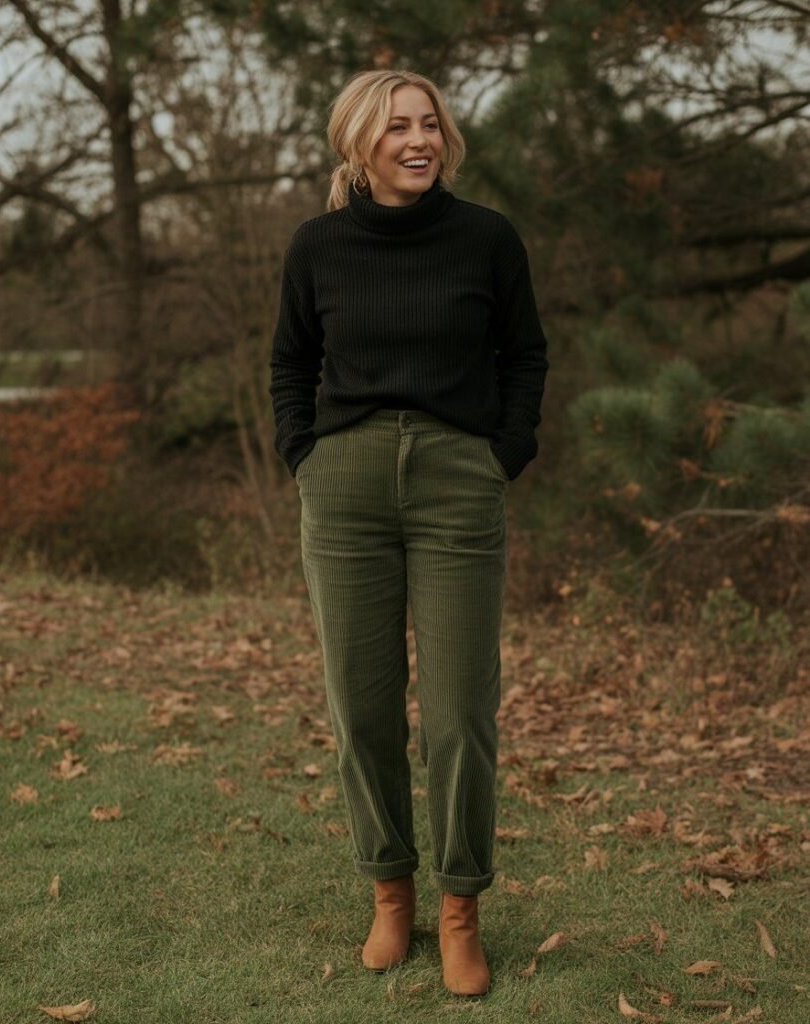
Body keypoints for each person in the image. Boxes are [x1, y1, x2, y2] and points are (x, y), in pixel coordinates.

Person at [269, 68, 549, 997]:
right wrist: (303, 454)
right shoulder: (316, 247)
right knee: (361, 706)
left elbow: (524, 354)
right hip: (342, 484)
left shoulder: (486, 239)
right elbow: (290, 362)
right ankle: (390, 893)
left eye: (429, 124)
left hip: (457, 480)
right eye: (396, 127)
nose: (418, 140)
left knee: (460, 711)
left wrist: (503, 452)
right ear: (359, 143)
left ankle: (460, 908)